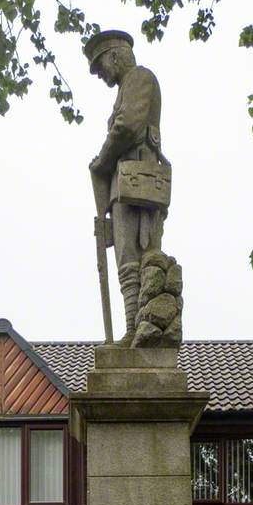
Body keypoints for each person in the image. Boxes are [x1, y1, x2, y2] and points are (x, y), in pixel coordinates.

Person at [85, 30, 169, 343]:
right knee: (126, 256)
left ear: (116, 56)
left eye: (101, 67)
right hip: (125, 182)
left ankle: (139, 325)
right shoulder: (125, 88)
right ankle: (133, 327)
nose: (102, 75)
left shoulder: (140, 78)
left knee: (140, 252)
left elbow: (127, 127)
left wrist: (103, 160)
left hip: (139, 178)